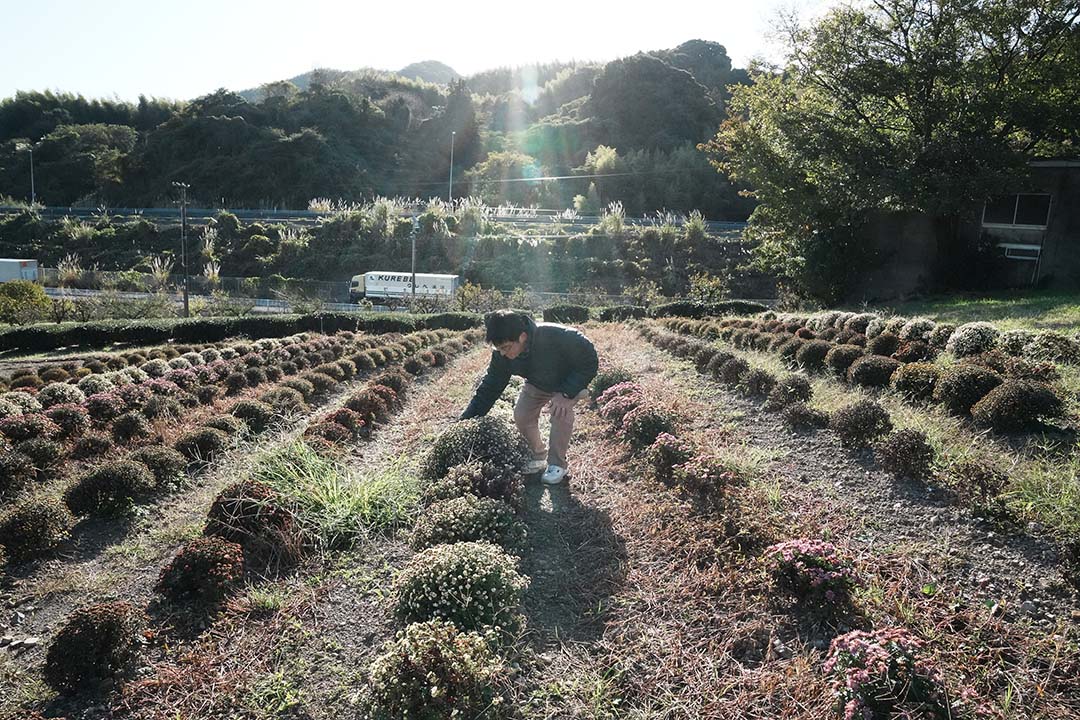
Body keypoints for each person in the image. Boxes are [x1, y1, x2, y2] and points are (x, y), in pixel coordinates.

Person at [460, 309, 599, 485]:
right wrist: (465, 421)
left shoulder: (559, 336)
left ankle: (557, 464)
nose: (503, 353)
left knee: (560, 411)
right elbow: (490, 388)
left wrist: (566, 393)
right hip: (537, 383)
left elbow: (590, 362)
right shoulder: (502, 356)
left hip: (566, 383)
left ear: (522, 336)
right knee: (522, 415)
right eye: (499, 349)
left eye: (506, 348)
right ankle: (538, 454)